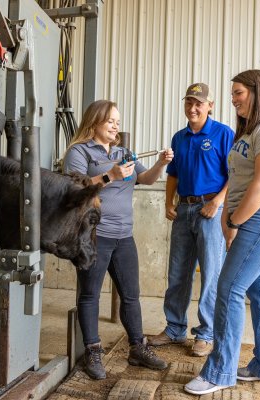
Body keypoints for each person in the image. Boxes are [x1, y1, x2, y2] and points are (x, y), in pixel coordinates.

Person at [185, 70, 260, 395]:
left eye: (239, 93)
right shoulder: (254, 130)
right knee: (259, 292)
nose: (233, 100)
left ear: (257, 91)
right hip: (253, 218)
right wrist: (230, 219)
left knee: (229, 288)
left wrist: (233, 221)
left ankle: (219, 372)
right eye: (233, 94)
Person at [63, 99, 174, 380]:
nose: (116, 125)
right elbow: (73, 189)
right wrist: (109, 175)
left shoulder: (125, 152)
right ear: (95, 122)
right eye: (111, 120)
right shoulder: (79, 152)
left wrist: (161, 163)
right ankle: (93, 351)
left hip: (124, 234)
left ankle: (138, 348)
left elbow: (146, 179)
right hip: (93, 235)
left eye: (118, 121)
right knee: (89, 295)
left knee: (131, 295)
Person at [149, 83, 234, 357]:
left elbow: (236, 175)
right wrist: (168, 202)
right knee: (177, 273)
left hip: (211, 211)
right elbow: (172, 173)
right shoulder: (179, 137)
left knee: (211, 274)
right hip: (183, 211)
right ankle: (174, 328)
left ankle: (206, 334)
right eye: (189, 102)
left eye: (199, 103)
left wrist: (217, 202)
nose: (193, 108)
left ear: (210, 105)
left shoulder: (223, 134)